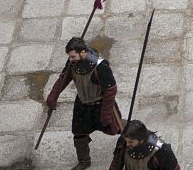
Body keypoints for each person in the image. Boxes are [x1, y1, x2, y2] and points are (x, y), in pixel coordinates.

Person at [45, 37, 122, 170]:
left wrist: (106, 114)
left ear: (82, 52)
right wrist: (53, 97)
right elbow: (64, 79)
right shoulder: (73, 63)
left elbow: (110, 90)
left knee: (116, 128)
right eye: (69, 56)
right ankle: (84, 161)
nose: (70, 59)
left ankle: (136, 133)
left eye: (73, 56)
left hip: (101, 104)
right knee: (79, 133)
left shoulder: (100, 66)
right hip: (82, 104)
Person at [109, 120, 180, 170]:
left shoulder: (162, 152)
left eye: (131, 142)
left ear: (141, 140)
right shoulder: (123, 142)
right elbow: (116, 164)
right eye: (126, 141)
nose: (127, 144)